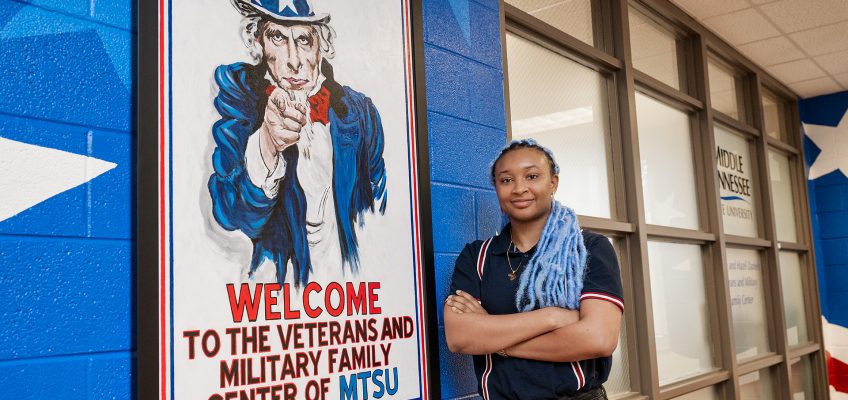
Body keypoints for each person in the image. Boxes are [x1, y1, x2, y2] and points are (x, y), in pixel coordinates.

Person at [208, 0, 387, 286]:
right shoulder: (240, 97)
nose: (293, 60)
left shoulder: (360, 113)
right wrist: (267, 144)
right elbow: (233, 213)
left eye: (304, 40)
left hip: (349, 288)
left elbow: (378, 212)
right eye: (277, 37)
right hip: (278, 291)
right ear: (259, 42)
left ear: (321, 46)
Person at [444, 139, 624, 399]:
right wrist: (551, 317)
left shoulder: (588, 248)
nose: (519, 188)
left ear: (553, 183)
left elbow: (598, 339)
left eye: (532, 176)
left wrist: (497, 342)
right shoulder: (476, 256)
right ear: (496, 187)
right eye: (506, 180)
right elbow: (460, 337)